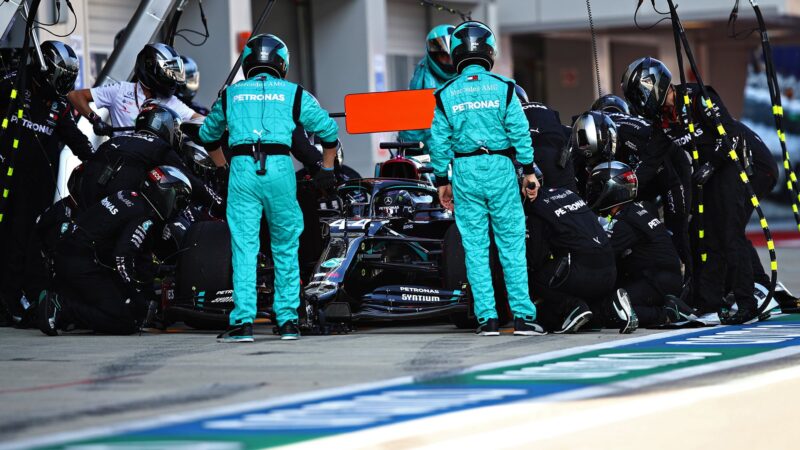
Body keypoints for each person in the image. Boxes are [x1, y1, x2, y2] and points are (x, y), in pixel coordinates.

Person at [197, 34, 340, 342]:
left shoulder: (230, 94)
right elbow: (329, 131)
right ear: (282, 63)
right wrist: (326, 168)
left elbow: (207, 135)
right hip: (280, 168)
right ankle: (288, 322)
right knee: (286, 245)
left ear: (248, 63)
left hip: (242, 169)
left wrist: (224, 168)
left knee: (245, 247)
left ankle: (243, 324)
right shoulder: (295, 93)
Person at [621, 56, 756, 323]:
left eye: (639, 94)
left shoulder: (698, 97)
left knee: (730, 236)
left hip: (727, 170)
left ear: (653, 85)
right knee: (704, 240)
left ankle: (747, 302)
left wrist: (712, 165)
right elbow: (651, 160)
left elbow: (730, 133)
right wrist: (627, 186)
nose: (638, 101)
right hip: (703, 180)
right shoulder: (662, 120)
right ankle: (710, 302)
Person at [429, 21, 543, 336]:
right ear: (489, 50)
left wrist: (442, 181)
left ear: (456, 53)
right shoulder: (505, 87)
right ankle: (523, 317)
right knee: (511, 244)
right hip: (502, 168)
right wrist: (529, 171)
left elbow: (438, 143)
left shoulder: (445, 94)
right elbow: (520, 133)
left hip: (465, 171)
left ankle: (487, 319)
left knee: (476, 248)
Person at [0, 41, 93, 325]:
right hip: (7, 182)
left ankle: (20, 299)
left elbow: (77, 140)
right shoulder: (12, 86)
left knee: (29, 244)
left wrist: (99, 162)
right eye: (61, 77)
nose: (64, 84)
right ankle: (8, 301)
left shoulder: (59, 105)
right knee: (9, 242)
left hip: (38, 189)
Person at [39, 166, 191, 335]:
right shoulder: (144, 215)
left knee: (118, 302)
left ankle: (52, 306)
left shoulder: (126, 195)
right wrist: (135, 295)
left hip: (67, 255)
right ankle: (62, 309)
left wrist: (157, 270)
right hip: (83, 263)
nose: (179, 208)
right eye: (180, 201)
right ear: (166, 193)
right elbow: (122, 256)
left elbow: (134, 256)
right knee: (126, 321)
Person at [525, 167, 635, 333]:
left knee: (533, 276)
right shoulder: (567, 192)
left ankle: (571, 306)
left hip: (582, 272)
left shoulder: (535, 207)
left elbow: (535, 258)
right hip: (610, 271)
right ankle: (611, 304)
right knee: (591, 319)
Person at [587, 161, 696, 327]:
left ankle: (667, 314)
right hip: (659, 278)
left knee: (604, 310)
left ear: (611, 189)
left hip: (656, 280)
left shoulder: (624, 222)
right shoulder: (640, 209)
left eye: (595, 187)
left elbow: (601, 257)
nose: (591, 192)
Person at [78, 104, 224, 215]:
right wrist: (218, 203)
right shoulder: (159, 147)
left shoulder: (116, 140)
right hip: (116, 207)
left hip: (83, 199)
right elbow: (190, 180)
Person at [67, 43, 202, 137]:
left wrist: (218, 120)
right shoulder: (120, 90)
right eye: (167, 74)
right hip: (124, 158)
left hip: (156, 163)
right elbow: (75, 96)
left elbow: (199, 120)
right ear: (149, 68)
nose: (172, 81)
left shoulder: (172, 101)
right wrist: (95, 120)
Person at [398, 24, 456, 153]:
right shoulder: (422, 80)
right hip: (427, 155)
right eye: (443, 56)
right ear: (434, 55)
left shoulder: (468, 76)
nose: (448, 61)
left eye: (451, 56)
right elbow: (414, 129)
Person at [517, 85, 576, 192]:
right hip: (559, 161)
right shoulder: (544, 108)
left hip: (529, 164)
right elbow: (568, 132)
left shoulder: (510, 113)